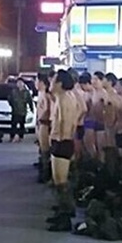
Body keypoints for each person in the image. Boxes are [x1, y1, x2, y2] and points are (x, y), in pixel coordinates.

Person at [46, 70, 79, 232]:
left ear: (59, 84)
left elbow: (65, 122)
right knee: (59, 181)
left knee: (60, 181)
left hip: (62, 142)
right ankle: (63, 211)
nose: (50, 84)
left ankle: (65, 217)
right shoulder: (64, 97)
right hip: (63, 141)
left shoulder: (64, 99)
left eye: (53, 81)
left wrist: (60, 140)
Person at [36, 73, 53, 183]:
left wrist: (43, 119)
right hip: (41, 123)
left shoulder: (46, 94)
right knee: (42, 148)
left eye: (36, 81)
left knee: (45, 149)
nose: (35, 84)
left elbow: (47, 109)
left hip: (45, 123)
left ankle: (46, 173)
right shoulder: (41, 93)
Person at [7, 78, 34, 143]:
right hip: (15, 111)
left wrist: (31, 108)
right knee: (13, 125)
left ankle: (21, 137)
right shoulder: (13, 91)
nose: (19, 84)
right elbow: (9, 99)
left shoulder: (26, 92)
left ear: (23, 84)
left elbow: (29, 100)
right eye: (18, 83)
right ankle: (12, 137)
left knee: (22, 125)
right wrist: (12, 105)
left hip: (23, 111)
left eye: (21, 83)